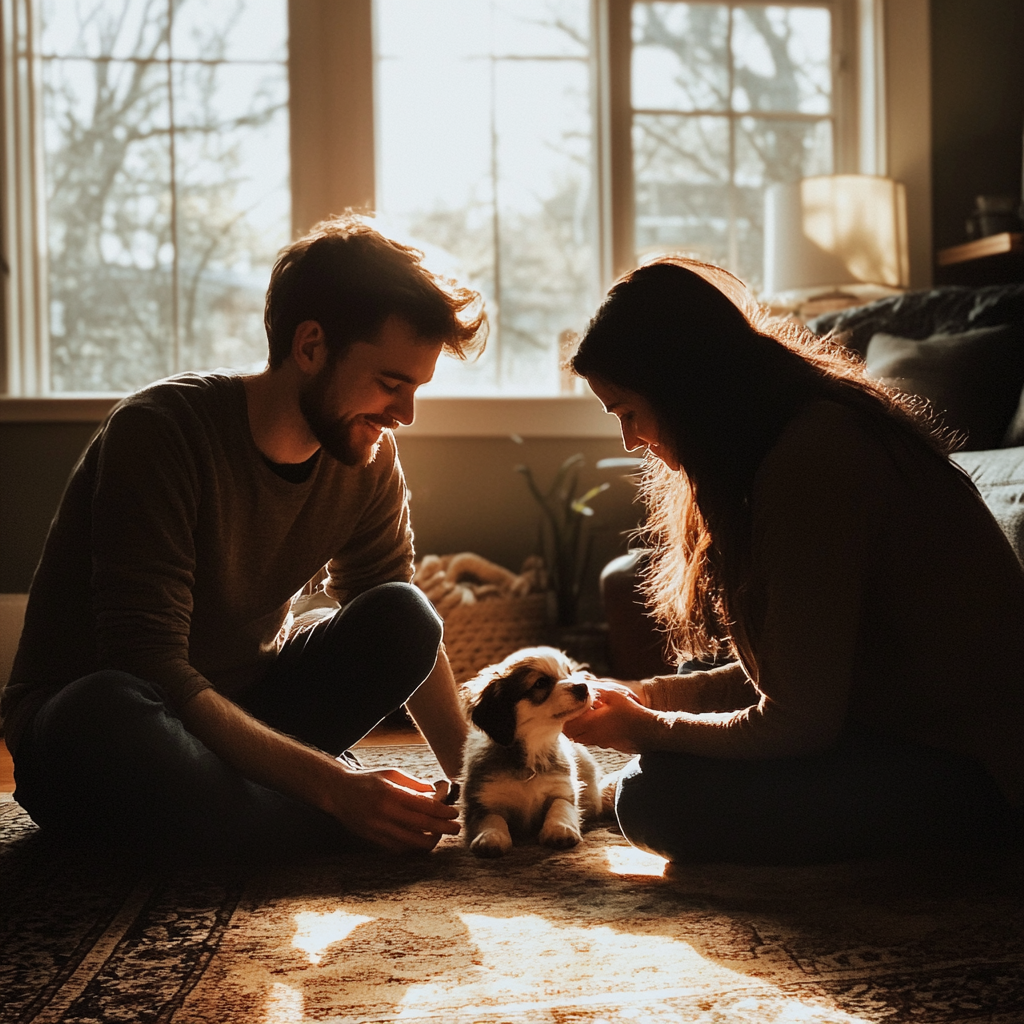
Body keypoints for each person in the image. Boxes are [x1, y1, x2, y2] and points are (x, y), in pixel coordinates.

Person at [1, 214, 487, 862]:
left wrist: (476, 783)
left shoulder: (369, 456)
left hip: (248, 710)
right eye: (390, 383)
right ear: (310, 346)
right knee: (107, 707)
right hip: (113, 728)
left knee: (405, 615)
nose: (404, 413)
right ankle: (309, 818)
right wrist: (338, 789)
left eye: (417, 388)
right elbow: (150, 664)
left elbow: (395, 621)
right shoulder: (160, 432)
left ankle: (240, 815)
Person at [564, 257, 1024, 865]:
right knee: (663, 777)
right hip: (906, 734)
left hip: (982, 768)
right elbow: (799, 672)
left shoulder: (815, 458)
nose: (630, 440)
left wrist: (644, 728)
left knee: (657, 795)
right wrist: (650, 695)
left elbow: (798, 721)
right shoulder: (788, 445)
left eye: (627, 412)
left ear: (681, 386)